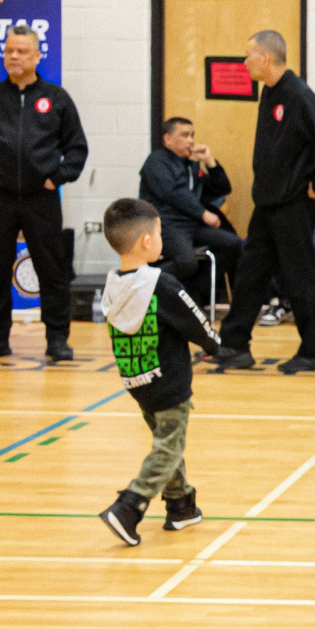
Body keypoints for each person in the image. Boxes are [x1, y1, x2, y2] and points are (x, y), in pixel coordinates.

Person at [96, 198, 223, 547]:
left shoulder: (113, 285)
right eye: (160, 234)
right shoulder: (160, 284)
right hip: (169, 381)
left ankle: (181, 506)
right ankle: (129, 507)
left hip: (136, 380)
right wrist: (214, 344)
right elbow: (195, 321)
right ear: (147, 241)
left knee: (167, 441)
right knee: (168, 448)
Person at [214, 29, 315, 374]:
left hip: (292, 205)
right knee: (250, 274)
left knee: (299, 278)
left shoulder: (297, 94)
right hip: (266, 204)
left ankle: (313, 351)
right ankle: (234, 344)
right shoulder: (269, 92)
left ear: (265, 58)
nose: (245, 62)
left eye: (248, 55)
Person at [0, 23, 87, 362]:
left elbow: (76, 148)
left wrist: (57, 177)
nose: (13, 56)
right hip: (0, 197)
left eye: (21, 51)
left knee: (52, 270)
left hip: (41, 198)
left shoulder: (56, 98)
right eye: (8, 50)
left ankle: (57, 339)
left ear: (37, 56)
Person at [139, 116, 243, 306]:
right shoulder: (157, 161)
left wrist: (210, 162)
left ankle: (193, 296)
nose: (191, 141)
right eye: (185, 135)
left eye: (193, 135)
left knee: (233, 244)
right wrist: (203, 213)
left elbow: (222, 188)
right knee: (186, 262)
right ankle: (142, 282)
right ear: (168, 139)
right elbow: (173, 192)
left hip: (191, 226)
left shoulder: (190, 165)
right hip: (166, 225)